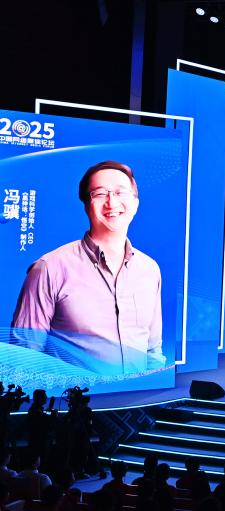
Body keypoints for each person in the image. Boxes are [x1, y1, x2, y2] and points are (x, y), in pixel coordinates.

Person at [11, 160, 165, 375]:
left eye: (120, 192)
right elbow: (25, 356)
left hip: (138, 393)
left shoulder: (149, 270)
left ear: (136, 203)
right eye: (100, 194)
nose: (112, 202)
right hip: (77, 394)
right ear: (86, 204)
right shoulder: (49, 268)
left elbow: (152, 351)